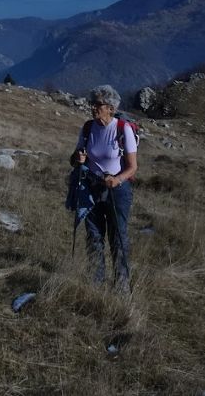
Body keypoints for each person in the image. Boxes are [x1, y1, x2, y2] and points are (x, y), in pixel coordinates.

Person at [70, 84, 138, 293]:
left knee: (117, 236)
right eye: (93, 104)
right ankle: (96, 281)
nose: (93, 108)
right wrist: (78, 159)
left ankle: (122, 284)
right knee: (94, 234)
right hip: (91, 186)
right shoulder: (88, 127)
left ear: (110, 107)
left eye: (97, 104)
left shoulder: (122, 129)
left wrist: (117, 180)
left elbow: (133, 167)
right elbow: (74, 159)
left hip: (117, 191)